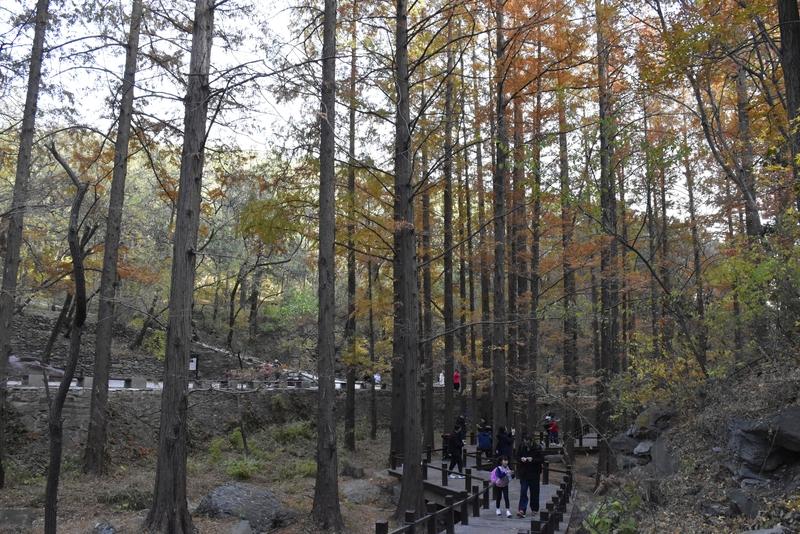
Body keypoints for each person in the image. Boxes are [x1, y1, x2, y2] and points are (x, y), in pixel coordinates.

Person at [516, 433, 543, 518]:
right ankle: (522, 509)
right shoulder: (521, 447)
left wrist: (533, 459)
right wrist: (521, 459)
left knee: (534, 492)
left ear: (531, 441)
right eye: (525, 442)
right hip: (524, 473)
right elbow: (517, 456)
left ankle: (534, 508)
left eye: (527, 443)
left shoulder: (537, 448)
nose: (526, 444)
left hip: (534, 473)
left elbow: (541, 459)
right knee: (523, 491)